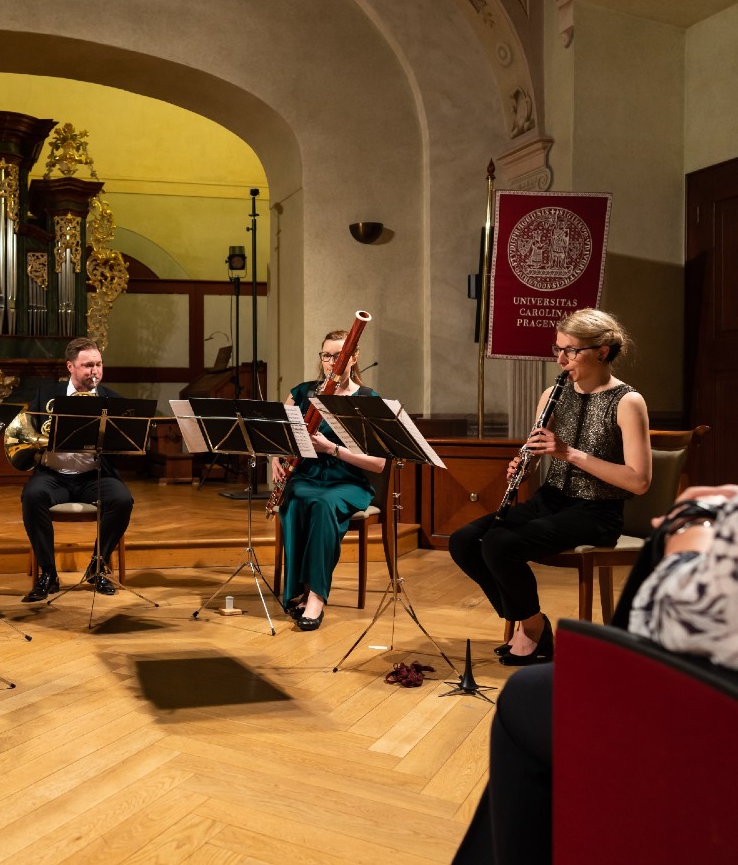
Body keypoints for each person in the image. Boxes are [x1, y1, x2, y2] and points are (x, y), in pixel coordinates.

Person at [453, 484, 738, 864]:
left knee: (524, 694)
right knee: (475, 540)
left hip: (704, 704)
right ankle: (533, 623)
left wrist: (690, 525)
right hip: (555, 502)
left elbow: (684, 617)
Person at [449, 308, 652, 665]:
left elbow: (638, 481)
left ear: (602, 351)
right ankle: (533, 622)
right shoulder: (553, 394)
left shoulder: (627, 402)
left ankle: (529, 632)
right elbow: (540, 452)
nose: (560, 359)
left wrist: (568, 452)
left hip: (597, 512)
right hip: (550, 501)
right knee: (464, 540)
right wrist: (524, 467)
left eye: (570, 351)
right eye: (557, 349)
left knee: (499, 543)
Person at [271, 328, 386, 631]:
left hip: (347, 482)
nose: (331, 361)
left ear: (353, 358)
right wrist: (274, 459)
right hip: (305, 476)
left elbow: (377, 464)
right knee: (294, 500)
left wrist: (332, 449)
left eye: (339, 355)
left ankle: (316, 597)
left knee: (322, 504)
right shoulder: (301, 392)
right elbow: (278, 438)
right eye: (326, 355)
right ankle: (298, 590)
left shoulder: (367, 399)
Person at [19, 337, 133, 602]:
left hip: (94, 476)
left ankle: (97, 566)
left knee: (122, 499)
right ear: (70, 367)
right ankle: (48, 574)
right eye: (87, 365)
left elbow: (125, 448)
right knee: (32, 497)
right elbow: (26, 432)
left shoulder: (112, 400)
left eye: (99, 365)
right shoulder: (46, 395)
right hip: (52, 476)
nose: (95, 371)